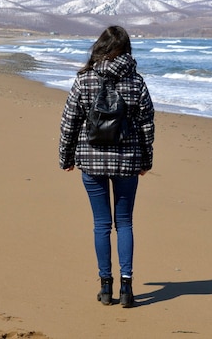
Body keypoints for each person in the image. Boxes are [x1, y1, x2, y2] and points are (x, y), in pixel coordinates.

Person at [59, 26, 155, 308]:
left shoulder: (84, 79)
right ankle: (127, 288)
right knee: (124, 223)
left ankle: (105, 287)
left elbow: (69, 122)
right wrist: (146, 159)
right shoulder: (136, 82)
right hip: (127, 161)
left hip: (91, 160)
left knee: (101, 224)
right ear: (127, 50)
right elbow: (147, 124)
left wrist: (66, 157)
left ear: (100, 47)